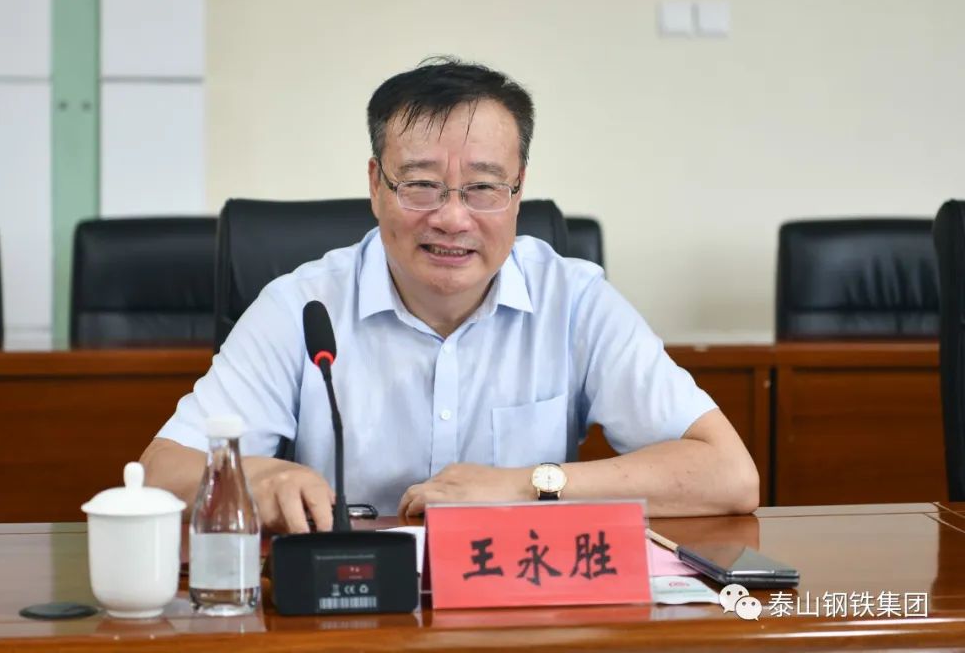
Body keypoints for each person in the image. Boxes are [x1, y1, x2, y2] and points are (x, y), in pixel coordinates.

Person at [140, 57, 759, 533]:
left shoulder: (573, 300)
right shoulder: (300, 308)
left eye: (483, 188)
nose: (453, 218)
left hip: (520, 606)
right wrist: (258, 474)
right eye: (421, 185)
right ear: (376, 186)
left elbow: (730, 475)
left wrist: (528, 485)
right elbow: (160, 470)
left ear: (518, 191)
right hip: (351, 610)